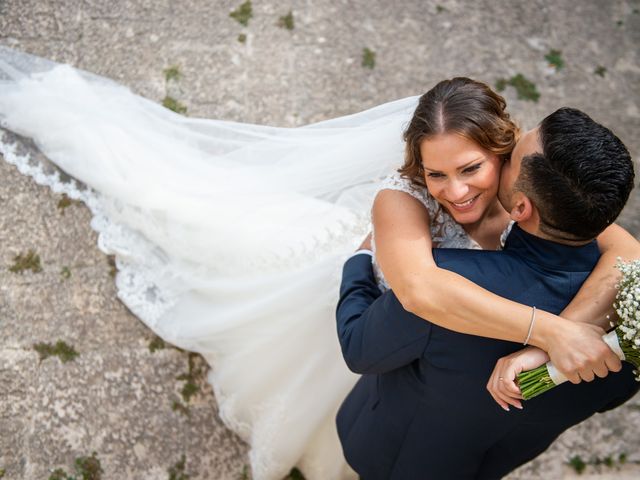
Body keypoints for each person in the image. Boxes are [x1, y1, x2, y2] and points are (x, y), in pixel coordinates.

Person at [0, 47, 637, 480]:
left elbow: (627, 250)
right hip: (372, 299)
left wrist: (552, 342)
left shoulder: (542, 199)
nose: (457, 191)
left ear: (505, 165)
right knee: (226, 254)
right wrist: (553, 333)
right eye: (436, 173)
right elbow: (417, 287)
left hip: (410, 352)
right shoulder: (403, 202)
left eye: (473, 168)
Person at [336, 107, 639, 479]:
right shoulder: (632, 312)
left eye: (508, 158)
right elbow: (613, 396)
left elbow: (358, 347)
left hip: (401, 457)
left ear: (521, 206)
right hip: (500, 458)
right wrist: (551, 339)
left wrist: (359, 260)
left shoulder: (448, 280)